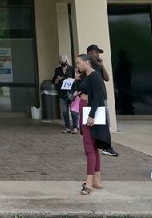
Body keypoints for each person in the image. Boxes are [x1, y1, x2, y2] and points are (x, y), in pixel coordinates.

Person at [75, 54, 111, 196]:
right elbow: (81, 91)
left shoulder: (95, 76)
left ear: (87, 62)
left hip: (90, 111)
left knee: (89, 147)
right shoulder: (87, 76)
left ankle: (89, 183)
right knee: (93, 147)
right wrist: (77, 79)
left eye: (79, 63)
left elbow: (97, 97)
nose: (77, 65)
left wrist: (91, 116)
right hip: (84, 108)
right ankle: (97, 179)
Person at [86, 44, 119, 157]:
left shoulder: (97, 65)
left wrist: (102, 65)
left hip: (102, 96)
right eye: (96, 52)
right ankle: (105, 147)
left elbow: (107, 78)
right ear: (90, 53)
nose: (98, 54)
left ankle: (103, 146)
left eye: (98, 52)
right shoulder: (88, 65)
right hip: (95, 98)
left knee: (103, 123)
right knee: (100, 123)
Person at [53, 55, 78, 134]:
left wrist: (72, 80)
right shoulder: (57, 70)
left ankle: (75, 127)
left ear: (67, 61)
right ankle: (67, 127)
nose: (63, 63)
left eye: (64, 61)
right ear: (59, 62)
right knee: (64, 111)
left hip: (71, 92)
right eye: (61, 61)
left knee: (73, 110)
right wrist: (57, 79)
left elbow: (76, 79)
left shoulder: (71, 69)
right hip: (62, 93)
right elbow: (54, 81)